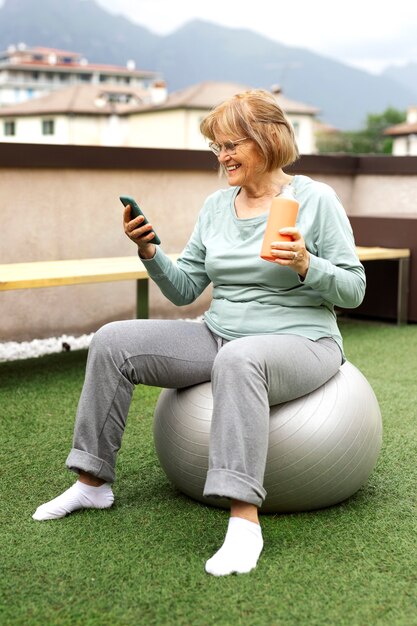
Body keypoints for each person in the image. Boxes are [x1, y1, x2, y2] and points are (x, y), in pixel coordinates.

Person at [33, 89, 366, 577]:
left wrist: (306, 264)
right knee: (111, 341)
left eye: (232, 145)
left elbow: (354, 288)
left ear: (268, 140)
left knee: (241, 359)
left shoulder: (315, 200)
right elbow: (187, 288)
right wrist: (149, 251)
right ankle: (92, 481)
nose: (222, 156)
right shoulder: (216, 207)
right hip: (218, 334)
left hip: (303, 342)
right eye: (216, 146)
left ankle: (244, 524)